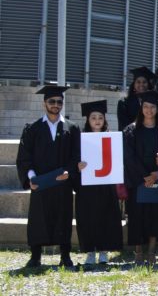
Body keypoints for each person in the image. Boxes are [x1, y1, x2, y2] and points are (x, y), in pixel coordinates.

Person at [16, 84, 79, 269]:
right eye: (52, 101)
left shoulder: (72, 128)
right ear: (45, 103)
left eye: (59, 101)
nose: (56, 104)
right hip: (41, 184)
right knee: (38, 218)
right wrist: (31, 178)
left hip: (63, 184)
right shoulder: (33, 128)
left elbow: (76, 154)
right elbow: (24, 156)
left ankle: (65, 256)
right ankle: (35, 256)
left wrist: (69, 171)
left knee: (64, 218)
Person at [73, 100, 124, 267]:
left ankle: (103, 251)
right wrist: (77, 166)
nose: (96, 120)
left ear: (104, 120)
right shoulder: (80, 139)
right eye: (93, 117)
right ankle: (90, 252)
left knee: (106, 217)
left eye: (100, 117)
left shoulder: (111, 137)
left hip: (106, 185)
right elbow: (73, 160)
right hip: (86, 186)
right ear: (88, 120)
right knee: (88, 218)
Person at [122, 90, 158, 265]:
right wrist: (145, 176)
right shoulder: (131, 129)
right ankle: (138, 252)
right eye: (146, 106)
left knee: (154, 215)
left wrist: (157, 173)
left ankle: (152, 252)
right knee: (136, 217)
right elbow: (128, 156)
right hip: (137, 180)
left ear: (157, 109)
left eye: (152, 106)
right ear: (141, 108)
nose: (149, 110)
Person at [118, 66, 155, 130]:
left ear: (148, 84)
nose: (141, 85)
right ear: (134, 84)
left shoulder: (155, 102)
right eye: (138, 82)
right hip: (132, 136)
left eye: (144, 82)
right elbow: (123, 126)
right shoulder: (124, 103)